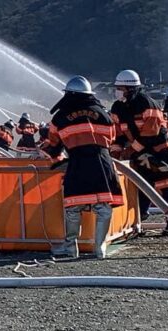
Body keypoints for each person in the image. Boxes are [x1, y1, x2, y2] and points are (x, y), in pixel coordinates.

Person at [47, 76, 123, 259]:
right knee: (103, 207)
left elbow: (53, 144)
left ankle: (71, 249)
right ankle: (100, 248)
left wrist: (56, 161)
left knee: (73, 206)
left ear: (69, 94)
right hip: (102, 162)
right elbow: (112, 137)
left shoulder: (60, 116)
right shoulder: (103, 113)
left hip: (77, 162)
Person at [112, 70, 168, 235]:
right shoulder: (118, 107)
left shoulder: (147, 104)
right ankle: (139, 218)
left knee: (166, 185)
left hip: (160, 152)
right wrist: (115, 153)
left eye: (120, 88)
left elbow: (151, 133)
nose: (117, 91)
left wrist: (130, 150)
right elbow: (118, 134)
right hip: (139, 154)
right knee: (141, 185)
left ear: (130, 88)